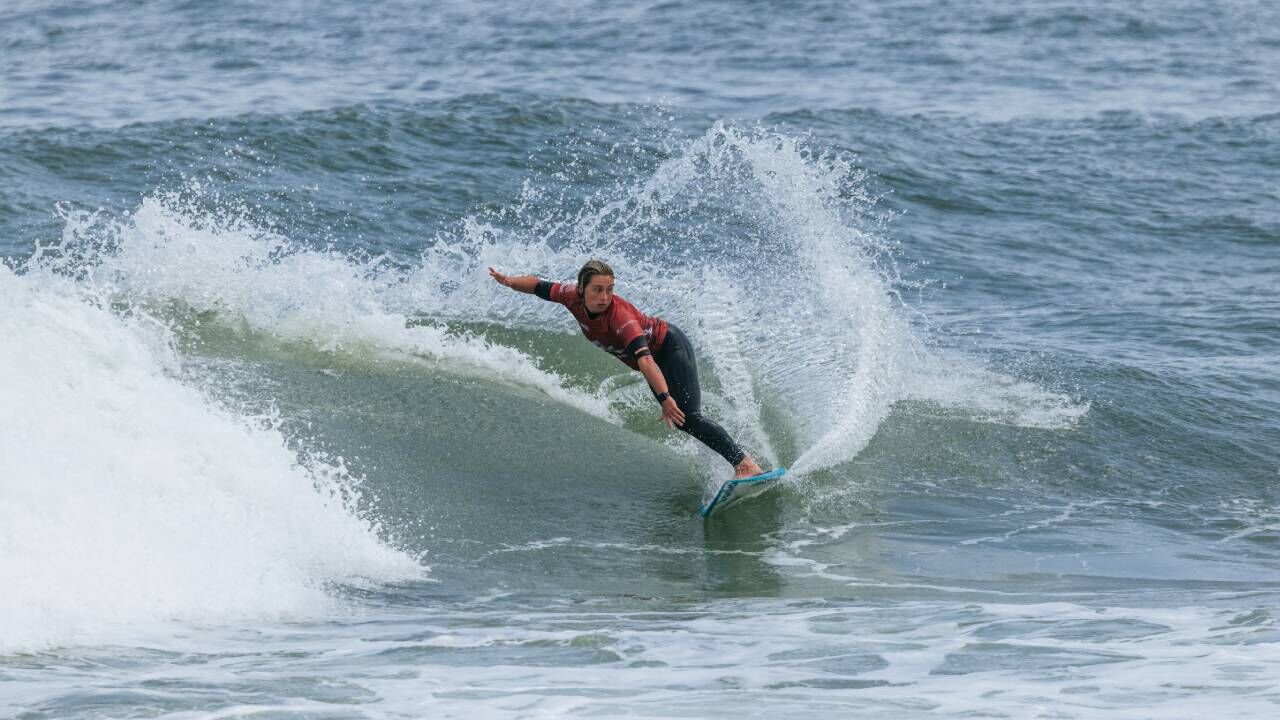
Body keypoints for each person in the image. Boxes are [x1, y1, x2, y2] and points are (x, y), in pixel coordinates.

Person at [489, 260, 764, 479]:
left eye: (609, 289)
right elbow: (539, 286)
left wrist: (665, 399)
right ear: (581, 288)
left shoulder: (620, 319)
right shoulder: (570, 296)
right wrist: (510, 282)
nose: (605, 296)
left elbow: (646, 361)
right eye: (598, 289)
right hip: (658, 359)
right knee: (686, 422)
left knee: (687, 418)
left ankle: (745, 464)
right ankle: (733, 458)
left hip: (670, 348)